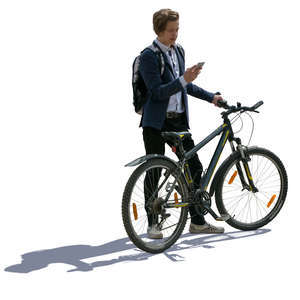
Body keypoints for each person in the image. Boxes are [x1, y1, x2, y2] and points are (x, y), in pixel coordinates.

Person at [139, 8, 225, 239]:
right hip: (156, 123)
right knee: (154, 171)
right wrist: (183, 79)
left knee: (194, 168)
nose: (175, 34)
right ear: (159, 30)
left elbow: (185, 86)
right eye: (170, 30)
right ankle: (153, 224)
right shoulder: (149, 55)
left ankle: (197, 221)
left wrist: (211, 97)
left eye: (177, 29)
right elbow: (157, 92)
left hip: (178, 122)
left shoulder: (179, 51)